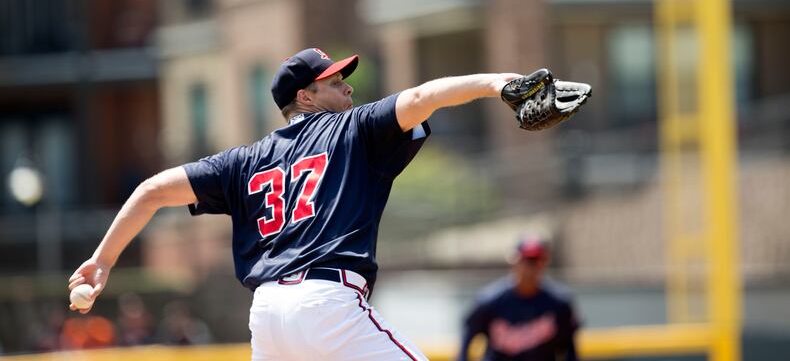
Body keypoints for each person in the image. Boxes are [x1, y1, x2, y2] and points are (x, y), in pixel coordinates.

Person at [68, 47, 522, 360]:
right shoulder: (352, 129)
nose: (347, 89)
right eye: (333, 82)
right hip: (328, 303)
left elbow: (150, 191)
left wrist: (101, 260)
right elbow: (423, 98)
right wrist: (499, 83)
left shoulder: (242, 161)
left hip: (267, 316)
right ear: (304, 97)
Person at [458, 236, 579, 361]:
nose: (530, 267)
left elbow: (569, 349)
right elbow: (467, 339)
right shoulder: (490, 300)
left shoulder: (559, 302)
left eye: (536, 260)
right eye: (526, 260)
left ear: (544, 262)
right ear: (514, 261)